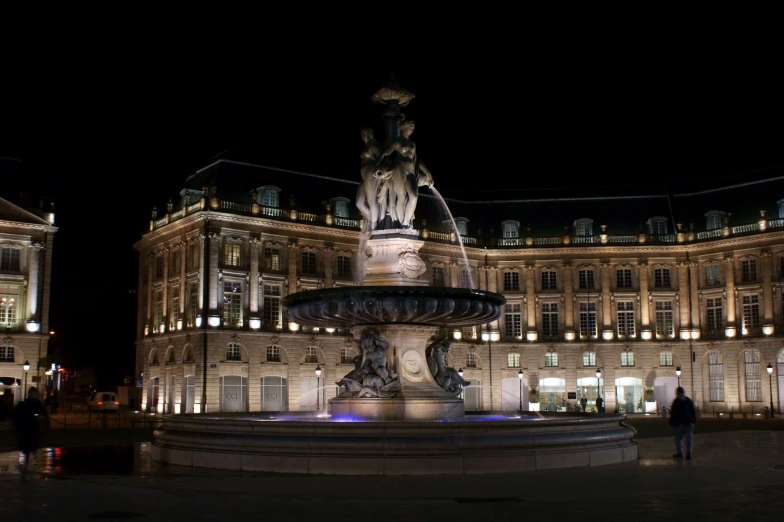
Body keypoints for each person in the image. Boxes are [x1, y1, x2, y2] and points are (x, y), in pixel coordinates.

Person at [12, 387, 49, 469]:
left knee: (28, 446)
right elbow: (43, 414)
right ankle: (30, 463)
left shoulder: (27, 404)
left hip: (27, 427)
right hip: (29, 427)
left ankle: (28, 463)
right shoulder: (34, 403)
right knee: (30, 446)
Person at [669, 386, 697, 459]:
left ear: (677, 393)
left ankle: (680, 453)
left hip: (679, 423)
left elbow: (673, 413)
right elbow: (693, 412)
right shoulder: (688, 400)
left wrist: (672, 422)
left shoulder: (676, 401)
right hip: (687, 423)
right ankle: (688, 453)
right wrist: (693, 421)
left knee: (678, 439)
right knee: (688, 439)